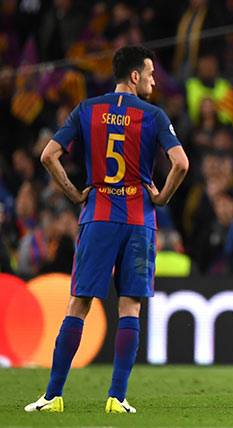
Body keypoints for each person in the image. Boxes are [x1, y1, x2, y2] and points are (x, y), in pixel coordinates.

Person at [25, 45, 189, 414]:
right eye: (150, 74)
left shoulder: (87, 109)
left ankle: (52, 397)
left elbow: (48, 155)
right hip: (138, 220)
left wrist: (73, 193)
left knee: (79, 303)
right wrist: (162, 197)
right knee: (130, 306)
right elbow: (180, 163)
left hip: (97, 216)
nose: (153, 81)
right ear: (135, 75)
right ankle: (117, 397)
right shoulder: (153, 115)